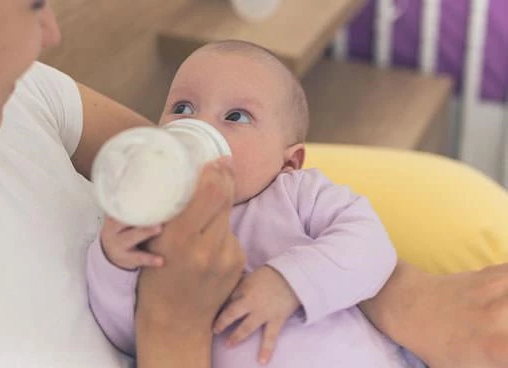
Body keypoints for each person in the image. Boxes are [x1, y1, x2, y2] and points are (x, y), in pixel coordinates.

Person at [0, 0, 506, 367]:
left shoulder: (16, 97)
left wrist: (398, 296)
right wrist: (154, 303)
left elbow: (359, 237)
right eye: (33, 4)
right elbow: (119, 315)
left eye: (235, 116)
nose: (52, 35)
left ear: (290, 159)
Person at [87, 40, 424, 367]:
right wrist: (114, 263)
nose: (197, 126)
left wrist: (291, 281)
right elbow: (130, 337)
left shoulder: (296, 193)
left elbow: (371, 247)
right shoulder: (154, 216)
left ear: (289, 162)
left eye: (235, 116)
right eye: (182, 108)